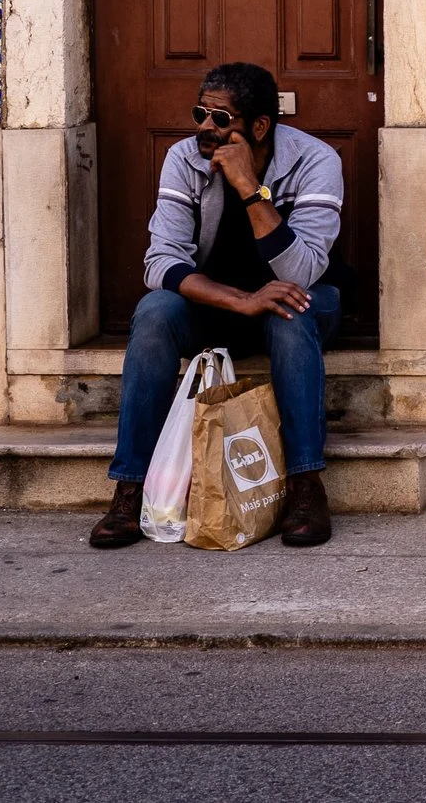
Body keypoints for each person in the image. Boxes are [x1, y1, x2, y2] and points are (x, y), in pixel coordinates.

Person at [88, 62, 346, 550]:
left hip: (300, 303)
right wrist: (243, 299)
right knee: (154, 313)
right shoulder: (184, 158)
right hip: (221, 305)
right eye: (200, 114)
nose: (204, 128)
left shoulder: (316, 160)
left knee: (291, 310)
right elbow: (159, 262)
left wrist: (249, 187)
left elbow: (303, 271)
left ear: (259, 126)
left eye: (219, 118)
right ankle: (131, 488)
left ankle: (306, 485)